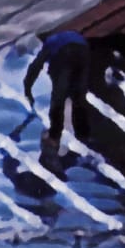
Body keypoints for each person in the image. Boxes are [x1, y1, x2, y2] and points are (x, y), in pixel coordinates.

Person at [22, 29, 98, 163]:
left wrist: (28, 86)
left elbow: (37, 66)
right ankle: (82, 135)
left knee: (73, 98)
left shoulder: (52, 47)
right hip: (74, 49)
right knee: (69, 98)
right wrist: (27, 86)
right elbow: (36, 66)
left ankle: (84, 135)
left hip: (81, 48)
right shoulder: (52, 44)